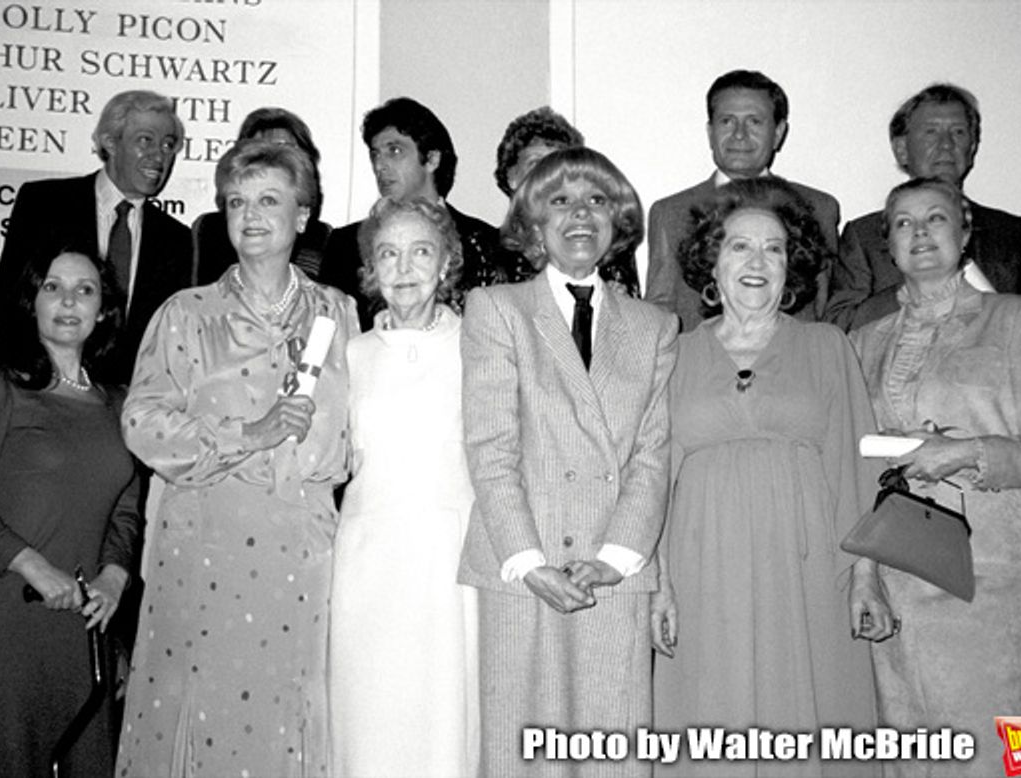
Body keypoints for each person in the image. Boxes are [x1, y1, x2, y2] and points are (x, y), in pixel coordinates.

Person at [115, 140, 357, 777]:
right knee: (200, 715)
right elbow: (142, 424)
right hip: (206, 546)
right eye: (236, 201)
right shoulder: (185, 315)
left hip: (305, 552)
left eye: (269, 199)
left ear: (303, 215)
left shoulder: (343, 314)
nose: (251, 215)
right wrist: (249, 432)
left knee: (290, 709)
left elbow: (365, 436)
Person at [850, 177, 1021, 777]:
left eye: (936, 219)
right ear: (888, 245)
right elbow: (858, 473)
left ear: (966, 231)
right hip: (897, 587)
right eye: (903, 223)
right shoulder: (861, 342)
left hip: (989, 586)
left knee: (1005, 759)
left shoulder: (1018, 318)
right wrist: (865, 576)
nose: (920, 233)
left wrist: (966, 452)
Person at [651, 177, 881, 777]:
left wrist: (865, 577)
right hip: (703, 571)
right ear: (711, 262)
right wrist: (660, 584)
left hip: (806, 570)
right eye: (739, 247)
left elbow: (857, 467)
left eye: (773, 249)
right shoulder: (671, 354)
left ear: (792, 266)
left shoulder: (828, 345)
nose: (757, 262)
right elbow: (654, 482)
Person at [459, 146, 677, 777]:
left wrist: (614, 558)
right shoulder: (497, 310)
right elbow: (490, 447)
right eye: (560, 201)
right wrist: (529, 562)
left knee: (612, 750)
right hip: (522, 565)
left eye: (597, 200)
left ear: (618, 222)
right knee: (519, 747)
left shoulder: (655, 325)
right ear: (533, 223)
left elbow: (651, 455)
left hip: (613, 568)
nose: (580, 215)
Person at [0, 245, 139, 777]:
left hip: (83, 624)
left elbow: (125, 510)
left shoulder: (121, 403)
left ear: (103, 311)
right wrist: (33, 565)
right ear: (31, 302)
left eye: (85, 290)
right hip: (0, 616)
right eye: (52, 287)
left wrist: (115, 577)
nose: (68, 301)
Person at [329, 197, 479, 778]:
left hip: (451, 565)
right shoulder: (350, 353)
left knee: (446, 718)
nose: (404, 267)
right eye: (387, 254)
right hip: (368, 564)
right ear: (370, 268)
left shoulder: (480, 346)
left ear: (446, 263)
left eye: (421, 251)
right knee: (370, 715)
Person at [0, 89, 193, 386]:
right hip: (40, 393)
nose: (159, 155)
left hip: (127, 408)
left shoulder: (177, 239)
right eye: (145, 140)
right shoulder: (44, 204)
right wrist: (27, 386)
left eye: (168, 144)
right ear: (110, 142)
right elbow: (9, 305)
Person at [827, 84, 1021, 331]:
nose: (946, 144)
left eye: (958, 132)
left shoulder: (1010, 233)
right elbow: (840, 327)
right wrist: (917, 285)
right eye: (931, 132)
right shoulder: (865, 236)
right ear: (901, 149)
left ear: (972, 148)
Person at [646, 69, 840, 330]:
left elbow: (824, 307)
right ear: (710, 131)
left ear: (779, 132)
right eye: (727, 121)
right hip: (701, 364)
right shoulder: (671, 213)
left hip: (793, 363)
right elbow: (659, 311)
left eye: (754, 122)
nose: (739, 134)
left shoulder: (818, 208)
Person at [323, 96, 513, 328]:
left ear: (432, 159)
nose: (379, 166)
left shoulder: (486, 243)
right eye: (375, 154)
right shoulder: (344, 245)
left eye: (394, 150)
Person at [493, 106, 639, 296]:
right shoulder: (488, 252)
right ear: (511, 176)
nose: (549, 176)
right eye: (537, 164)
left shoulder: (607, 249)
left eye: (557, 166)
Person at [192, 107, 333, 285]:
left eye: (286, 151)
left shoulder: (323, 237)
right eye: (260, 152)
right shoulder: (211, 230)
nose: (273, 161)